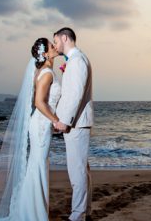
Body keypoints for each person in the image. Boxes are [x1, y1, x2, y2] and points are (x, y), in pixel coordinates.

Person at [0, 38, 62, 221]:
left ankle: (32, 210)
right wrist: (56, 121)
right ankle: (34, 214)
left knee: (36, 166)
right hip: (41, 124)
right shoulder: (46, 73)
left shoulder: (41, 70)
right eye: (51, 45)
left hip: (39, 123)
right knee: (38, 166)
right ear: (45, 53)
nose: (55, 47)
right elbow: (39, 103)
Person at [52, 27, 93, 221]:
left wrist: (64, 121)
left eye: (56, 41)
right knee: (81, 170)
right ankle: (84, 211)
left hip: (75, 124)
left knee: (76, 173)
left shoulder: (77, 61)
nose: (55, 45)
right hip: (76, 122)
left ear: (65, 38)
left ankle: (77, 216)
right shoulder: (75, 60)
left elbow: (75, 94)